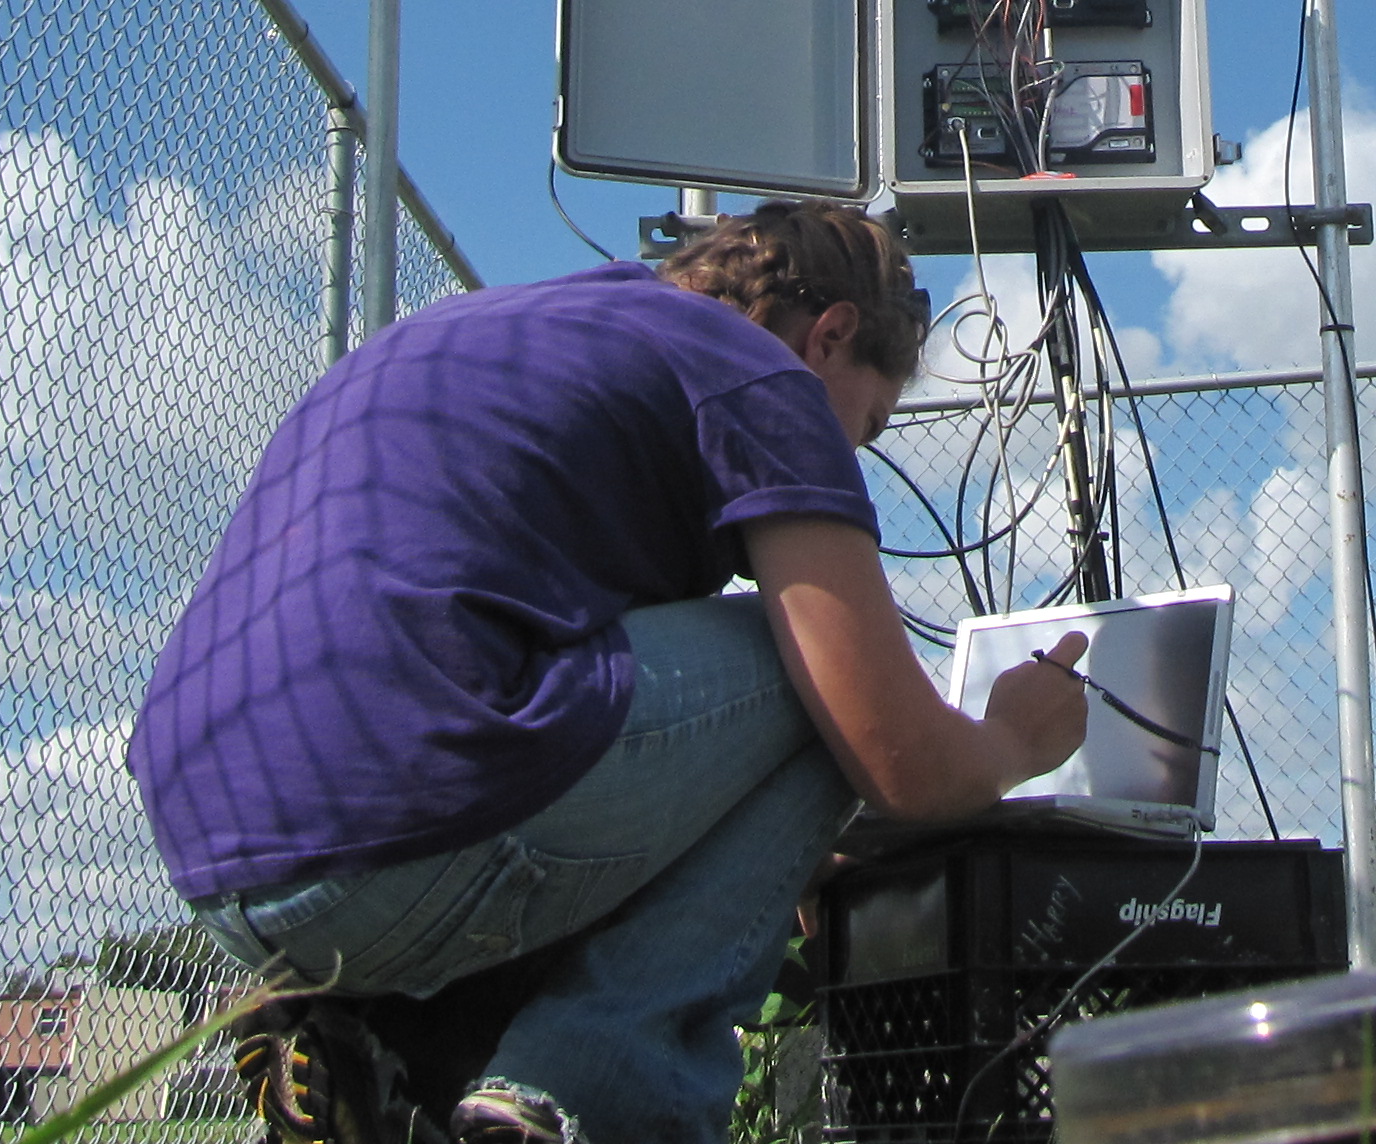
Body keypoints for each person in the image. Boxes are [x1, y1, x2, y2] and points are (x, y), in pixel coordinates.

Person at [128, 200, 1089, 1144]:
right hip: (399, 835)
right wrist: (1012, 736)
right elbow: (902, 761)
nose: (851, 456)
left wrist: (768, 847)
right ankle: (581, 1099)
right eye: (868, 425)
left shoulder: (520, 327)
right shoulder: (762, 375)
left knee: (633, 694)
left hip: (224, 861)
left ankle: (391, 1041)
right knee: (809, 671)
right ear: (830, 336)